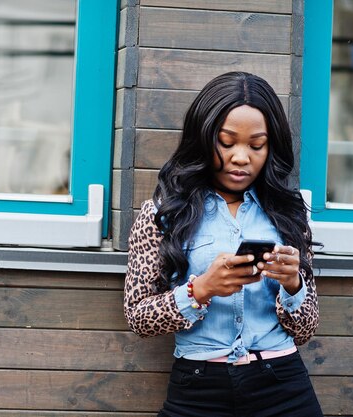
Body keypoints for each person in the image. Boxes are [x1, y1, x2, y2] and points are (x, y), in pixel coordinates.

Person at [123, 72, 323, 417]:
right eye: (226, 143)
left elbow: (305, 330)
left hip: (283, 383)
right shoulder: (162, 213)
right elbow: (138, 317)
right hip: (198, 386)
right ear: (202, 139)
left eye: (256, 145)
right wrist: (201, 289)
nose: (241, 157)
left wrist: (293, 283)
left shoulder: (287, 213)